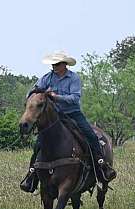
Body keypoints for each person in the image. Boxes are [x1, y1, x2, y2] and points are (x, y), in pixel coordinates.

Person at [20, 51, 116, 193]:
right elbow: (33, 91)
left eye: (57, 64)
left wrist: (56, 97)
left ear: (65, 64)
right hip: (54, 116)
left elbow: (74, 98)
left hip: (72, 113)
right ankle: (32, 174)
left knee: (90, 135)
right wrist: (34, 95)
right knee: (39, 143)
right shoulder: (47, 78)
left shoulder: (73, 78)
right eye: (53, 64)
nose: (54, 66)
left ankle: (102, 166)